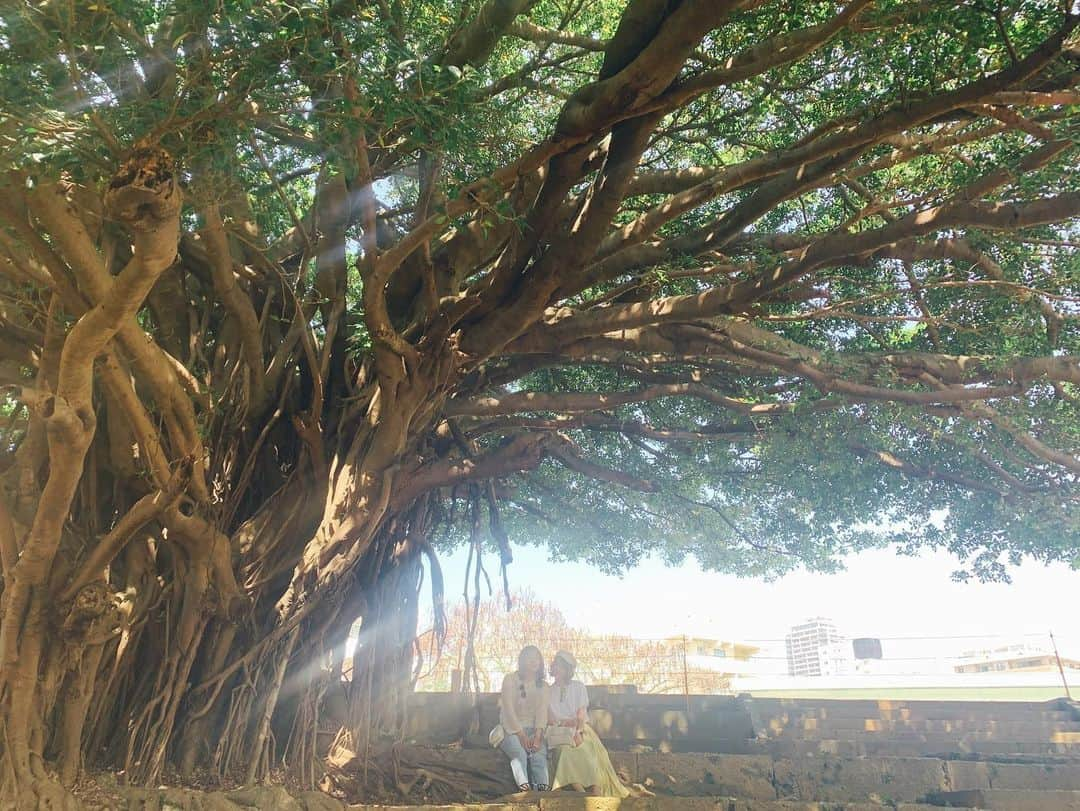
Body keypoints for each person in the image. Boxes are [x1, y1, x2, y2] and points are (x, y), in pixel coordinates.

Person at [547, 650, 629, 797]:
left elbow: (580, 714)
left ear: (568, 670)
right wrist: (564, 725)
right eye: (556, 665)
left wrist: (577, 730)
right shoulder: (548, 691)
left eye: (562, 666)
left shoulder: (578, 687)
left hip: (580, 729)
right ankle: (581, 793)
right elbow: (551, 718)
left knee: (587, 749)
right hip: (560, 733)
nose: (557, 668)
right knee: (564, 752)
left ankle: (595, 791)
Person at [498, 645, 550, 792]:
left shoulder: (544, 686)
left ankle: (544, 794)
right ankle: (526, 793)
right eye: (529, 658)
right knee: (519, 754)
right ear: (522, 660)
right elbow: (508, 710)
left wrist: (538, 736)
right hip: (511, 730)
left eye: (537, 658)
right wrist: (521, 735)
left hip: (534, 731)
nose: (534, 661)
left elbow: (542, 712)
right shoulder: (510, 680)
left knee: (538, 755)